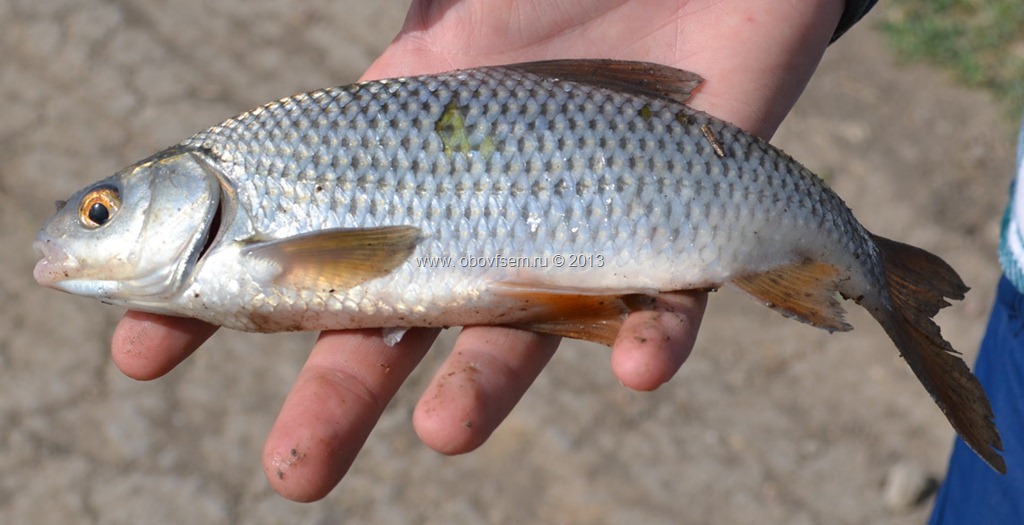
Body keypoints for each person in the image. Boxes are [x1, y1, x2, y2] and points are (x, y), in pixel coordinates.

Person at [110, 0, 876, 502]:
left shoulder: (244, 167)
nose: (87, 227)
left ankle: (872, 271)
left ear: (195, 193)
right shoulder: (246, 164)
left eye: (101, 211)